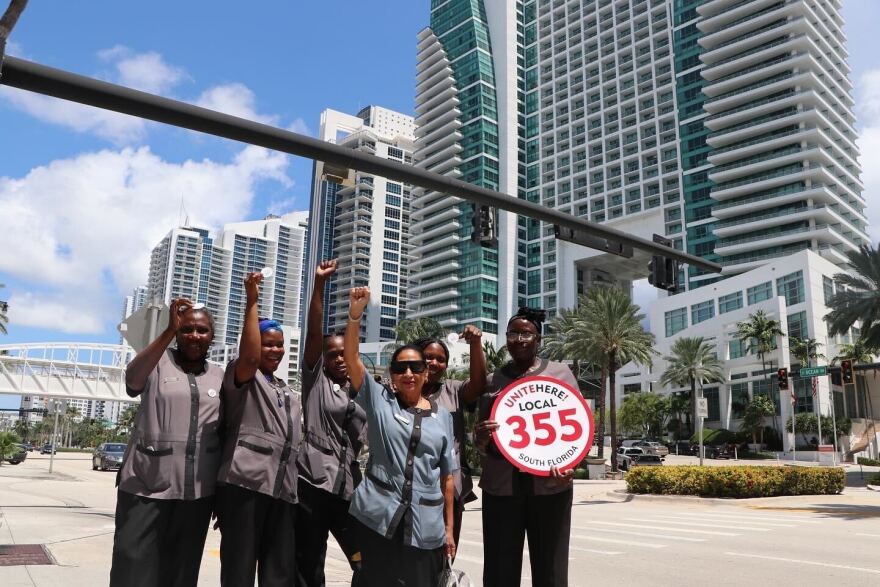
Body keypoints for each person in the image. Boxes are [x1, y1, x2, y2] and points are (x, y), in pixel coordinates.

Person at [343, 287, 457, 586]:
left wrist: (449, 528)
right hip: (378, 517)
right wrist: (355, 315)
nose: (408, 372)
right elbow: (352, 357)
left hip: (426, 524)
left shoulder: (443, 416)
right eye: (400, 367)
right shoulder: (379, 400)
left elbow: (446, 476)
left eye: (415, 366)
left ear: (425, 373)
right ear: (392, 374)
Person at [110, 299, 223, 587]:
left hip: (196, 495)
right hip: (146, 487)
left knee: (180, 575)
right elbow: (132, 383)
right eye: (186, 330)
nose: (194, 336)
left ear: (212, 335)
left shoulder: (220, 377)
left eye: (202, 330)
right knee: (132, 570)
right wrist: (168, 331)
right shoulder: (157, 362)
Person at [475, 307, 578, 587]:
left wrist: (571, 466)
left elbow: (577, 430)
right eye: (513, 333)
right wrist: (481, 439)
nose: (519, 339)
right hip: (501, 488)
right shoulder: (492, 379)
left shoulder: (560, 373)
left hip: (550, 486)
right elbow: (481, 438)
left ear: (538, 339)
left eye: (526, 333)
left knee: (551, 569)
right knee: (499, 568)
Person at [215, 272, 301, 586]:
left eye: (280, 345)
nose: (275, 350)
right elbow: (249, 356)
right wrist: (253, 301)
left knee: (278, 572)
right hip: (244, 486)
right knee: (239, 569)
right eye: (268, 344)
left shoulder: (286, 389)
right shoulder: (243, 378)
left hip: (282, 490)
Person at [296, 260, 367, 587]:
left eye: (344, 353)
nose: (339, 358)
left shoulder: (366, 389)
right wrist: (320, 284)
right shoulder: (316, 381)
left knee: (364, 558)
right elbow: (314, 329)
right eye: (332, 354)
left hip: (348, 485)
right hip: (311, 482)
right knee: (309, 564)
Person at [414, 326, 487, 549]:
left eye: (440, 359)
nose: (434, 363)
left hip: (449, 488)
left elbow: (478, 384)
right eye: (428, 357)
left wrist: (475, 345)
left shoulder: (453, 390)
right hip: (410, 485)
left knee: (444, 554)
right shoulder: (400, 392)